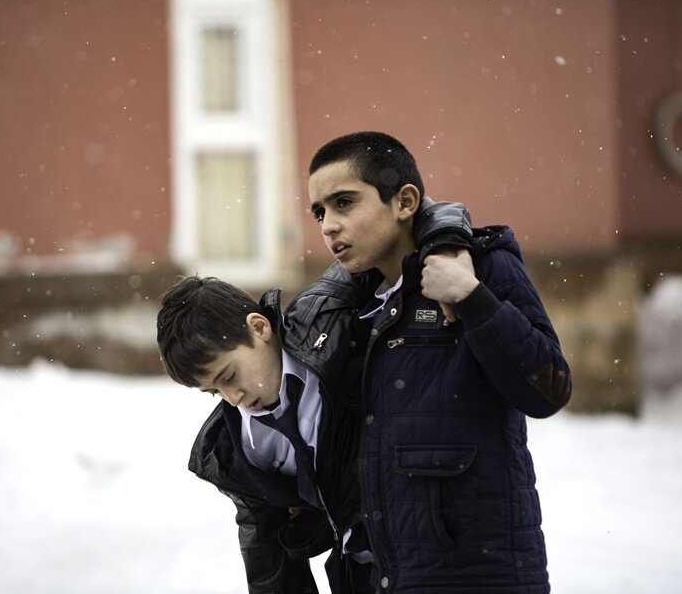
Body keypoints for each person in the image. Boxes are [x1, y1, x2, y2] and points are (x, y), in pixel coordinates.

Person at [156, 202, 473, 594]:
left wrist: (446, 249)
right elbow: (268, 561)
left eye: (229, 376)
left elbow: (414, 215)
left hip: (436, 545)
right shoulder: (241, 448)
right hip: (360, 573)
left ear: (258, 328)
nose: (232, 397)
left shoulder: (325, 315)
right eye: (213, 391)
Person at [306, 130, 572, 593]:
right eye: (320, 212)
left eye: (344, 203)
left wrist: (472, 299)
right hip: (384, 577)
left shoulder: (481, 268)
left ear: (404, 201)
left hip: (481, 576)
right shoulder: (345, 310)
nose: (328, 225)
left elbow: (548, 389)